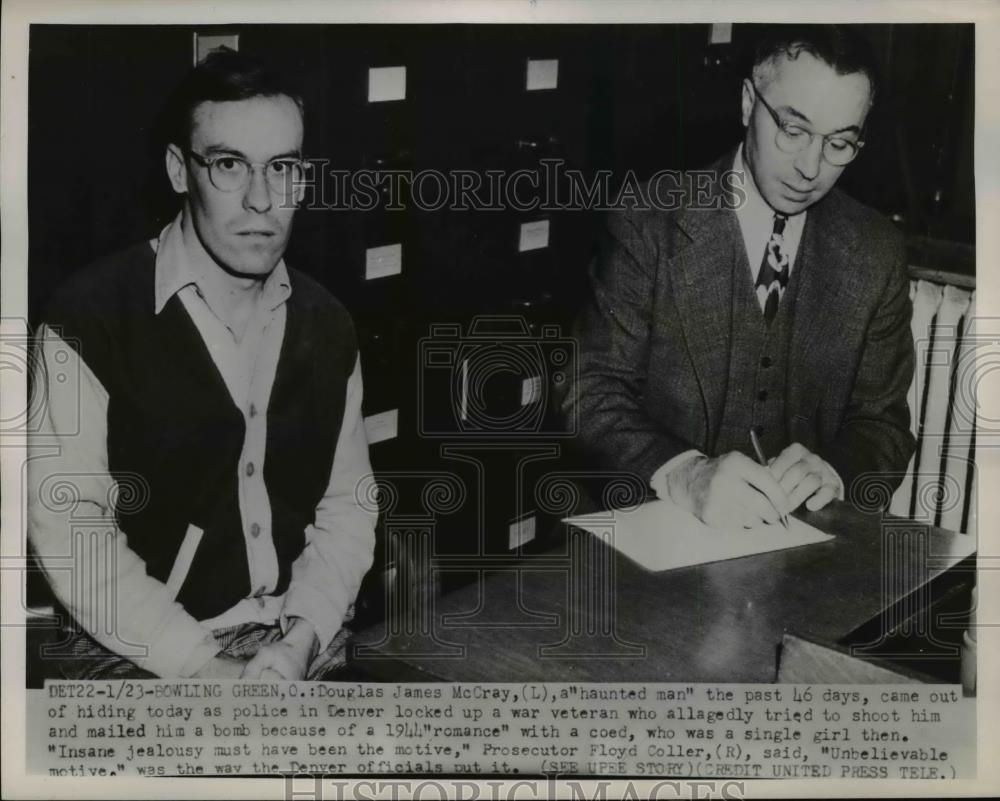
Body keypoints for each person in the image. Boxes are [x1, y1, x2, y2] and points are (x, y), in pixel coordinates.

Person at [27, 49, 376, 680]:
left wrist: (301, 637)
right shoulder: (88, 320)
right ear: (178, 170)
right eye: (228, 165)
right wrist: (203, 666)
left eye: (284, 169)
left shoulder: (328, 325)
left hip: (295, 635)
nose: (262, 199)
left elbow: (349, 506)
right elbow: (72, 534)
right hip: (136, 644)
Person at [559, 25, 916, 529]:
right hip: (647, 535)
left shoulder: (875, 252)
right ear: (749, 103)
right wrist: (684, 474)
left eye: (839, 143)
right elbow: (587, 390)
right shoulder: (649, 219)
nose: (810, 167)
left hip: (794, 553)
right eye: (793, 131)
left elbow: (883, 425)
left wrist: (837, 470)